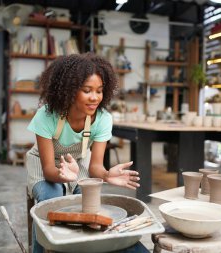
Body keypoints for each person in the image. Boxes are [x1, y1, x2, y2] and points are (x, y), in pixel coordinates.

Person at [25, 53, 141, 253]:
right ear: (70, 91)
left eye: (99, 91)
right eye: (87, 90)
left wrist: (105, 175)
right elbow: (49, 170)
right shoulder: (46, 115)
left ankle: (80, 248)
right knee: (50, 200)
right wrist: (63, 177)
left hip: (77, 164)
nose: (95, 97)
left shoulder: (102, 119)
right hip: (46, 166)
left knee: (88, 201)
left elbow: (95, 166)